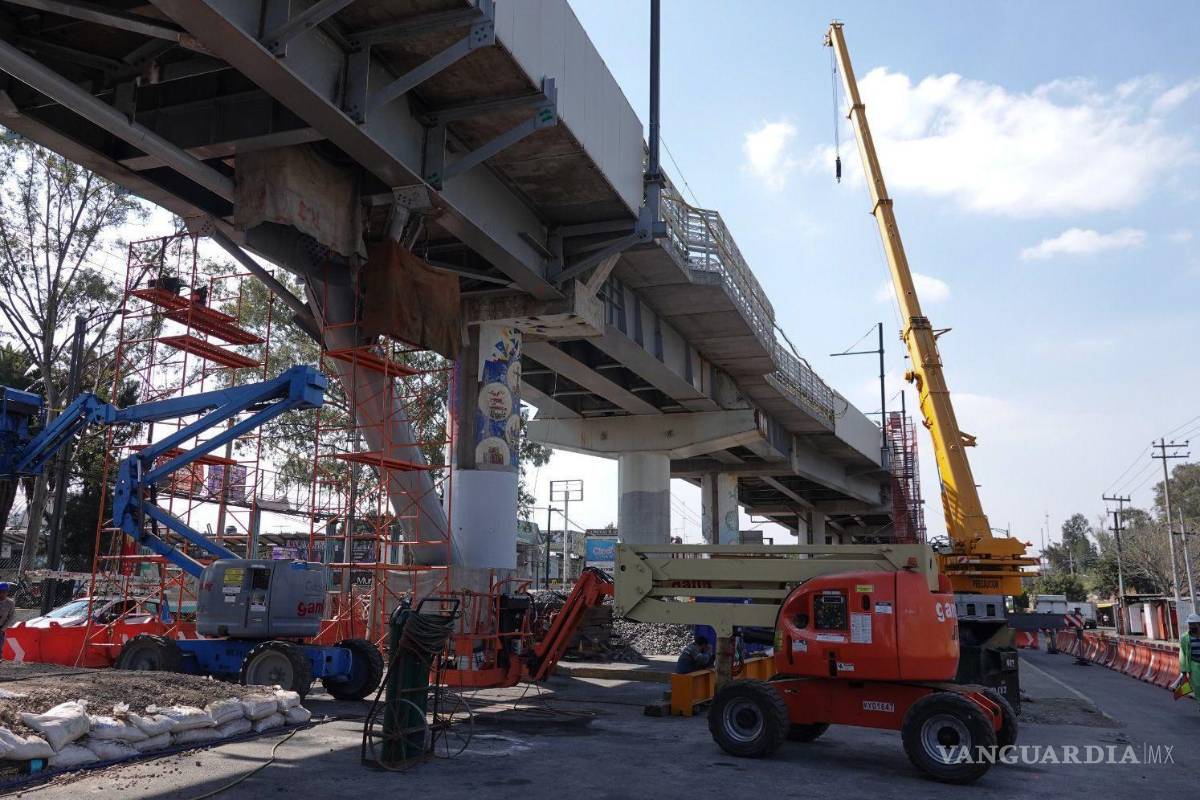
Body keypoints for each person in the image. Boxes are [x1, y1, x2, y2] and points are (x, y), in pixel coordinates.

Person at [1181, 613, 1200, 707]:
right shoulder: (1185, 638)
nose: (1191, 626)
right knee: (1197, 686)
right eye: (1190, 624)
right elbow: (1183, 655)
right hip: (1194, 664)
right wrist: (1184, 672)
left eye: (1193, 624)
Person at [0, 583, 13, 659]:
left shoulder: (10, 603)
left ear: (7, 592)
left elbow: (10, 617)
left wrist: (3, 628)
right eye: (0, 592)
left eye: (4, 592)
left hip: (1, 628)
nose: (2, 594)